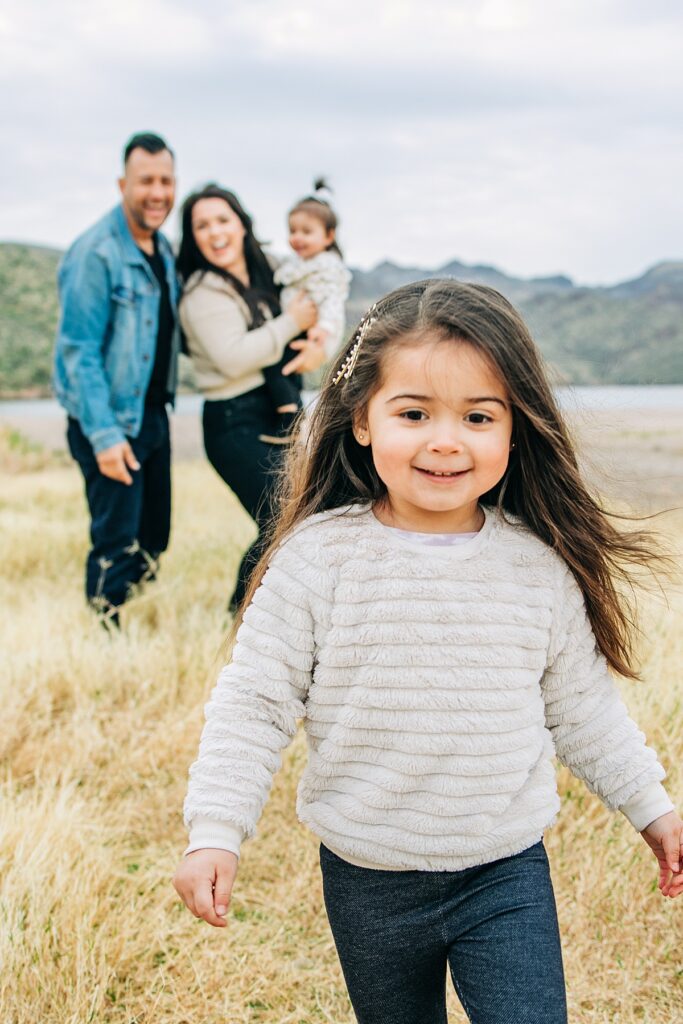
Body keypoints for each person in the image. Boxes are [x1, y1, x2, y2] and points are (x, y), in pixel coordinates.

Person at [173, 279, 683, 1024]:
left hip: (503, 873)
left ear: (513, 431)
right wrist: (214, 830)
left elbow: (581, 709)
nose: (446, 440)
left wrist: (652, 808)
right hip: (367, 877)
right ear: (362, 421)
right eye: (413, 413)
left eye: (478, 416)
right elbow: (255, 702)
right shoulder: (319, 559)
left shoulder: (534, 567)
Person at [176, 184, 324, 611]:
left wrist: (316, 338)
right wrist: (292, 321)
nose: (215, 232)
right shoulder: (201, 293)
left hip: (278, 408)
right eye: (202, 225)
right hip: (233, 420)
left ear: (241, 224)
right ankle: (240, 614)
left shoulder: (269, 272)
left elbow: (315, 304)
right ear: (193, 237)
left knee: (299, 516)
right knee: (280, 520)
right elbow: (233, 358)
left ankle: (270, 617)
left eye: (223, 220)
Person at [54, 132, 179, 627]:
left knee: (153, 538)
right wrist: (104, 437)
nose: (157, 192)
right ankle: (106, 634)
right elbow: (78, 352)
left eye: (166, 181)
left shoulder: (162, 248)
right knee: (116, 540)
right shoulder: (96, 253)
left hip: (152, 416)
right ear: (122, 183)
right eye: (145, 181)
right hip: (109, 420)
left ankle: (134, 618)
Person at [262, 178, 352, 443]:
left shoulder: (328, 268)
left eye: (306, 231)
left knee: (278, 369)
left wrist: (322, 329)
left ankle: (290, 419)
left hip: (309, 330)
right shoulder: (298, 264)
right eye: (292, 230)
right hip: (294, 326)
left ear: (328, 236)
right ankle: (293, 420)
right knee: (286, 375)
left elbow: (332, 302)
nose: (297, 238)